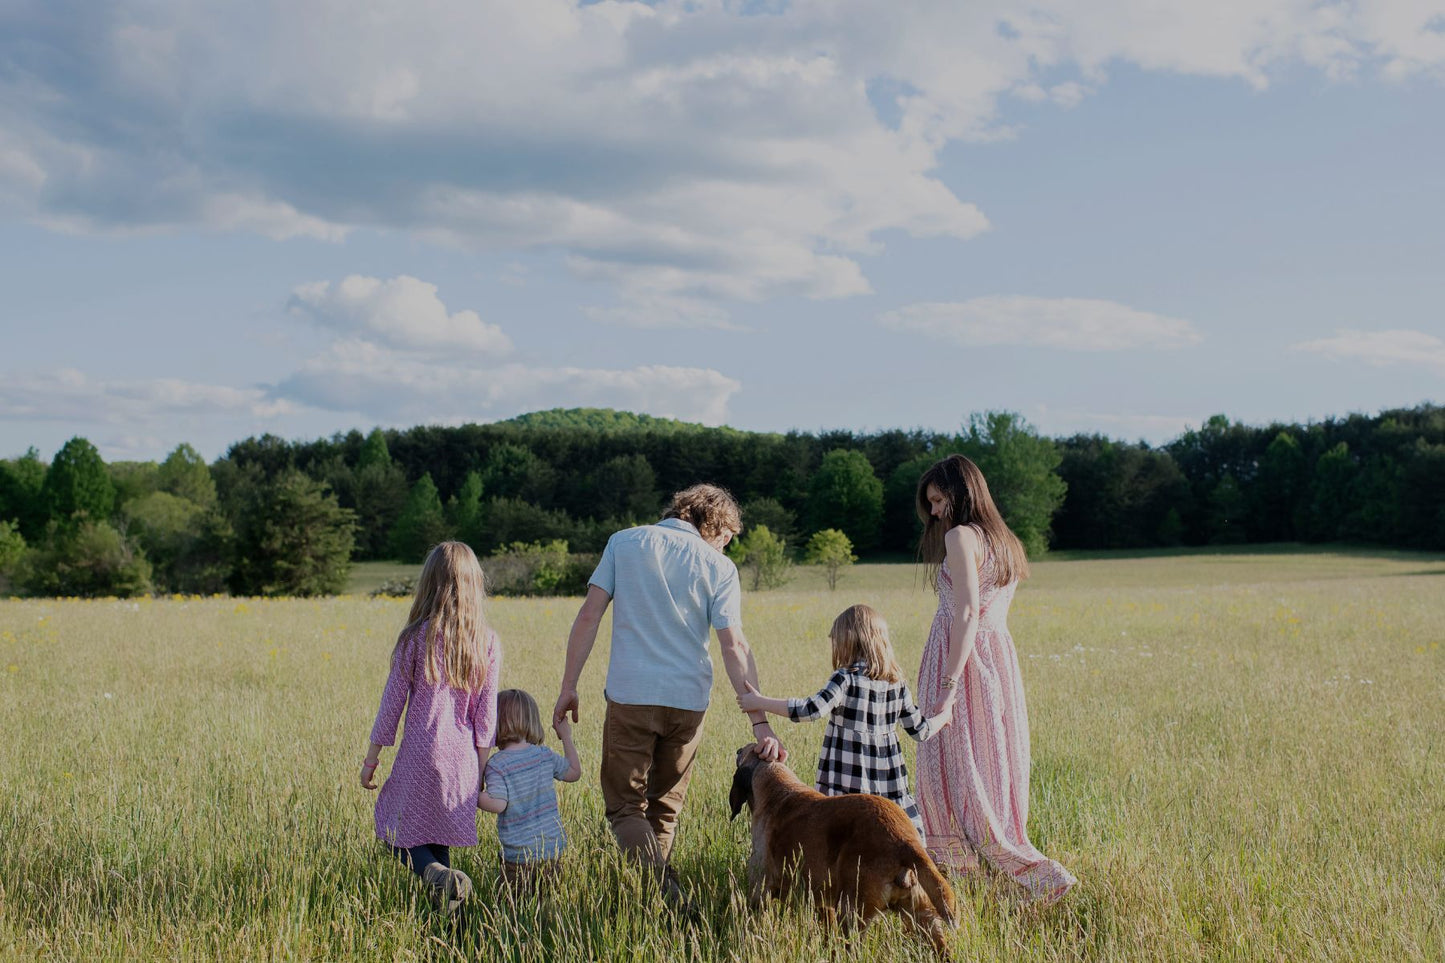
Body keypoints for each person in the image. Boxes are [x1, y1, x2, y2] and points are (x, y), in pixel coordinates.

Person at [552, 483, 785, 905]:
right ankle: (662, 896)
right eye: (728, 538)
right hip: (688, 701)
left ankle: (663, 893)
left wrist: (569, 686)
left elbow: (589, 615)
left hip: (631, 694)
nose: (727, 548)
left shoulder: (623, 543)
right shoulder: (718, 567)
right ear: (713, 524)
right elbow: (734, 646)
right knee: (664, 807)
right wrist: (761, 722)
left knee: (625, 808)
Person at [913, 454, 1076, 905]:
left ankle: (1026, 877)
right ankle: (988, 888)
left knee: (950, 773)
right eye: (929, 503)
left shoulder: (962, 536)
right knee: (987, 768)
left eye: (939, 499)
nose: (934, 512)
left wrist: (946, 691)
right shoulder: (1003, 539)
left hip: (962, 663)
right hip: (995, 661)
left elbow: (967, 611)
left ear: (961, 494)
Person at [361, 541, 501, 913]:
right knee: (438, 835)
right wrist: (483, 772)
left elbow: (391, 706)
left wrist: (371, 759)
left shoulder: (414, 638)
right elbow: (487, 718)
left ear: (429, 584)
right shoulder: (486, 641)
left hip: (421, 751)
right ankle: (445, 919)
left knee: (391, 827)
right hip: (465, 759)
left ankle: (434, 874)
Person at [736, 603, 951, 838]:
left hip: (847, 781)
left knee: (845, 836)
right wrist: (944, 715)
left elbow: (811, 709)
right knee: (889, 831)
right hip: (886, 785)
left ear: (848, 640)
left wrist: (760, 702)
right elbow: (921, 730)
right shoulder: (897, 685)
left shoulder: (845, 679)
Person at [478, 688, 581, 892]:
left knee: (514, 909)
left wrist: (470, 795)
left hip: (519, 857)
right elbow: (574, 772)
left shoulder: (497, 764)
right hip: (552, 851)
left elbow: (498, 803)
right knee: (548, 906)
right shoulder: (544, 755)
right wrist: (566, 736)